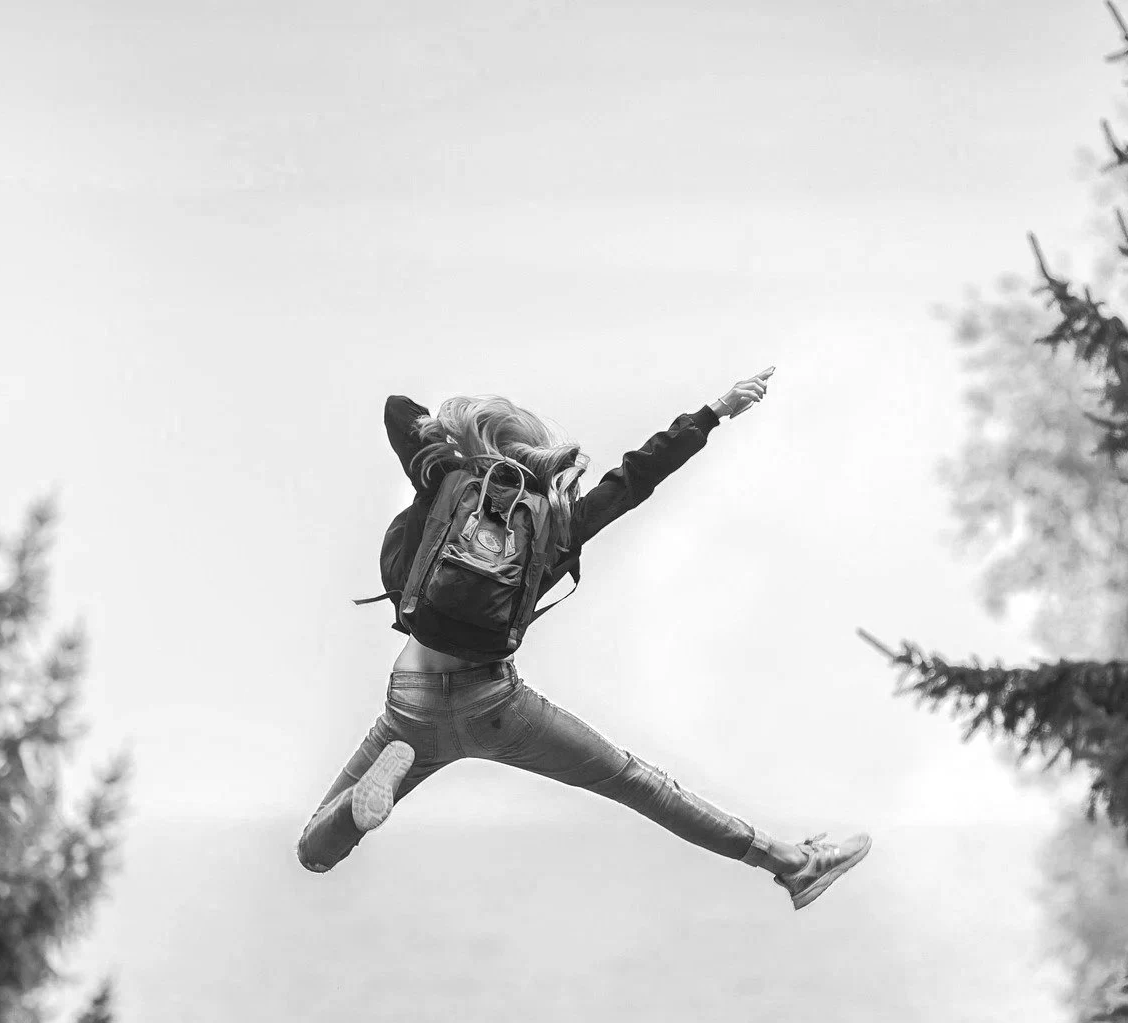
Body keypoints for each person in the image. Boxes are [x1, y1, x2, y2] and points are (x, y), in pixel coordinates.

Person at [296, 367, 871, 910]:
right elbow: (636, 477)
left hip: (412, 704)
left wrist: (454, 441)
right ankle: (791, 863)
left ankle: (353, 812)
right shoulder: (556, 519)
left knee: (314, 850)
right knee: (641, 785)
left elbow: (397, 409)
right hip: (495, 704)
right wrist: (714, 412)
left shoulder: (444, 480)